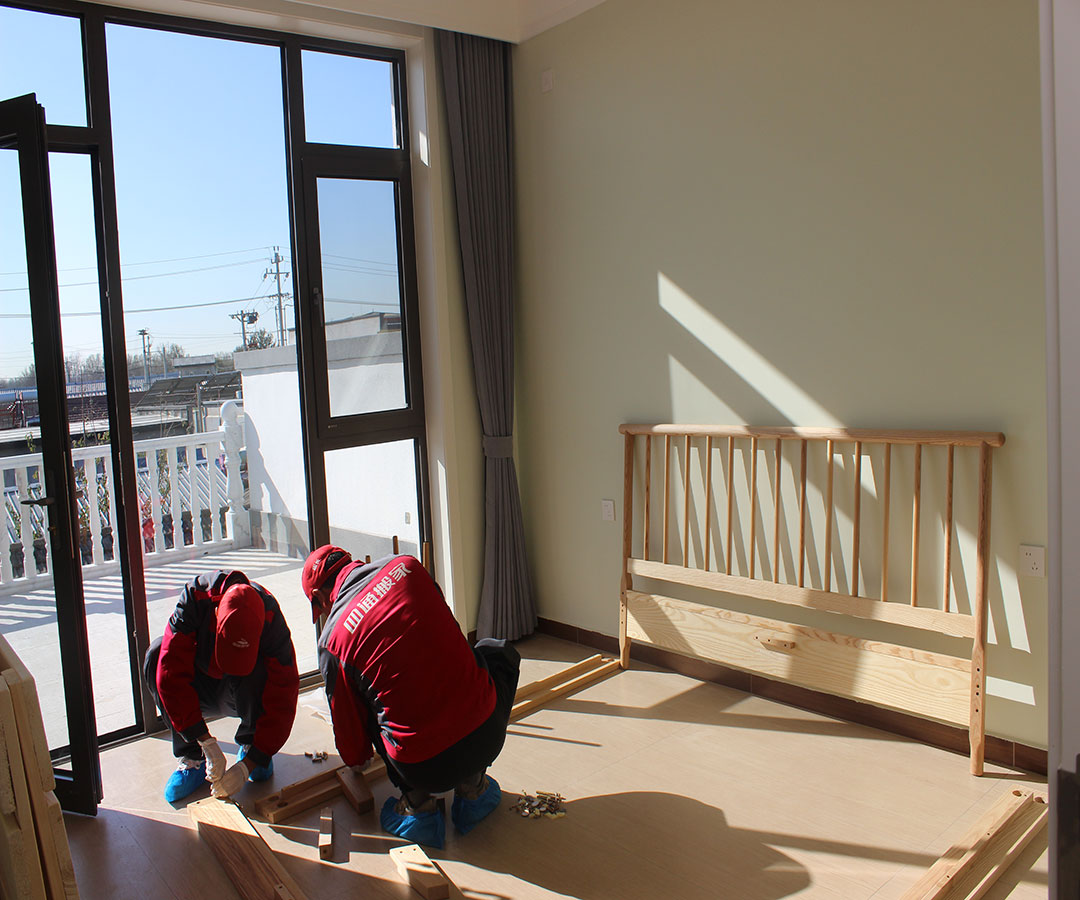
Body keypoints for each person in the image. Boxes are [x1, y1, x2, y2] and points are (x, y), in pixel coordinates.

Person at [303, 546, 520, 849]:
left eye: (321, 608)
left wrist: (358, 760)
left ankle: (418, 808)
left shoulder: (332, 641)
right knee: (494, 653)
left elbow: (353, 747)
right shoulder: (407, 566)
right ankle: (474, 790)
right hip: (487, 736)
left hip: (423, 768)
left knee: (368, 705)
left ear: (319, 595)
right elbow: (450, 634)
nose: (325, 614)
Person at [143, 569, 300, 802]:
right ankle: (193, 757)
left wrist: (252, 761)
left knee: (264, 669)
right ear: (217, 613)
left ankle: (251, 746)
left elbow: (284, 693)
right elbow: (170, 674)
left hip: (241, 692)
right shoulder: (195, 598)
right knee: (156, 656)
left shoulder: (269, 615)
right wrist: (204, 740)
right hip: (202, 684)